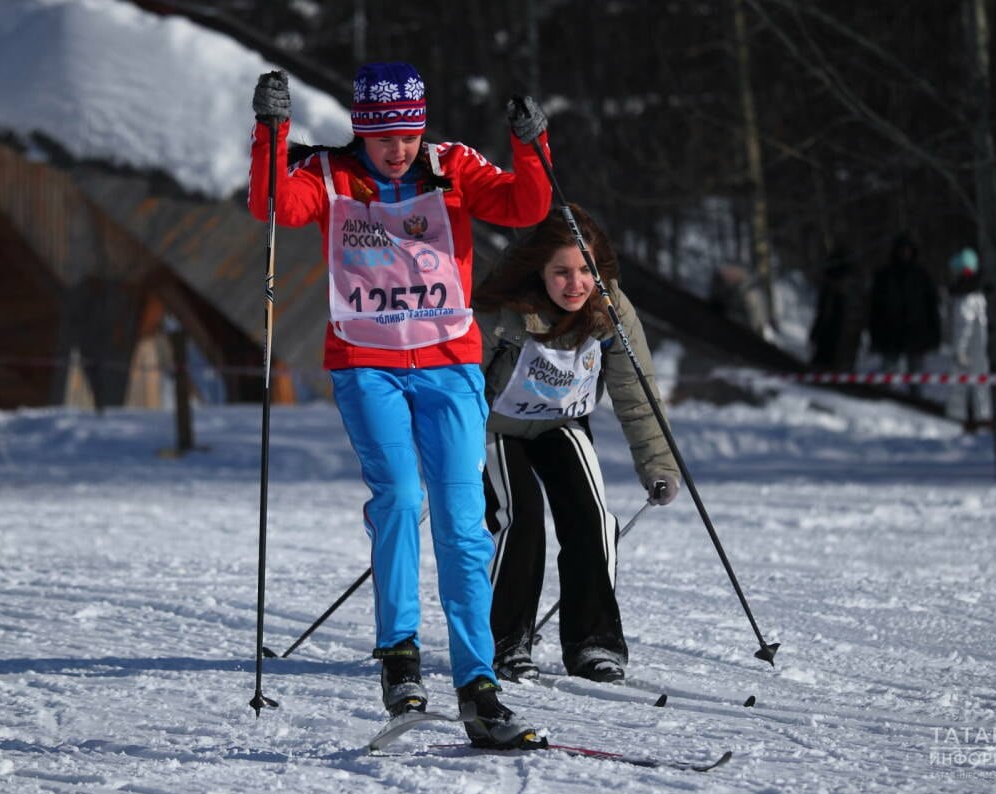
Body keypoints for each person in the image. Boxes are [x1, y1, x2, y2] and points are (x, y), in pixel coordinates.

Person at [248, 62, 552, 749]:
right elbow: (273, 206)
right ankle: (399, 658)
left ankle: (479, 684)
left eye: (408, 134)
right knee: (397, 497)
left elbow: (524, 207)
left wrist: (532, 145)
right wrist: (272, 132)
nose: (399, 149)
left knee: (462, 520)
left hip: (449, 364)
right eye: (384, 136)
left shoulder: (452, 163)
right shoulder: (328, 173)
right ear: (362, 127)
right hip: (366, 364)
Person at [474, 204, 680, 684]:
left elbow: (637, 391)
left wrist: (658, 465)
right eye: (561, 272)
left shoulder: (611, 311)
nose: (575, 283)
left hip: (561, 425)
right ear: (537, 270)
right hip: (494, 429)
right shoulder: (500, 309)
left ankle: (594, 643)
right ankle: (506, 643)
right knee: (519, 519)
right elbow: (458, 382)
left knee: (592, 520)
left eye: (586, 270)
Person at [867, 233, 941, 395]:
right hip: (890, 332)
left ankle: (916, 399)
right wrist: (874, 335)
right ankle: (885, 397)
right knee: (888, 371)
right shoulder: (884, 275)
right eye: (902, 249)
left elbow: (932, 307)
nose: (904, 253)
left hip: (916, 332)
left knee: (916, 375)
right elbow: (875, 308)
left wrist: (934, 335)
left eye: (907, 249)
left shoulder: (922, 276)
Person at [944, 247, 991, 432]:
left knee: (961, 385)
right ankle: (983, 418)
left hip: (971, 349)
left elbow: (963, 326)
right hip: (982, 348)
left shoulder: (966, 296)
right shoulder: (981, 294)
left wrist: (960, 350)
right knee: (982, 383)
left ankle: (961, 420)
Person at [808, 245, 864, 372]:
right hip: (828, 336)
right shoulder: (829, 290)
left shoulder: (850, 289)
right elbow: (822, 314)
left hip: (843, 337)